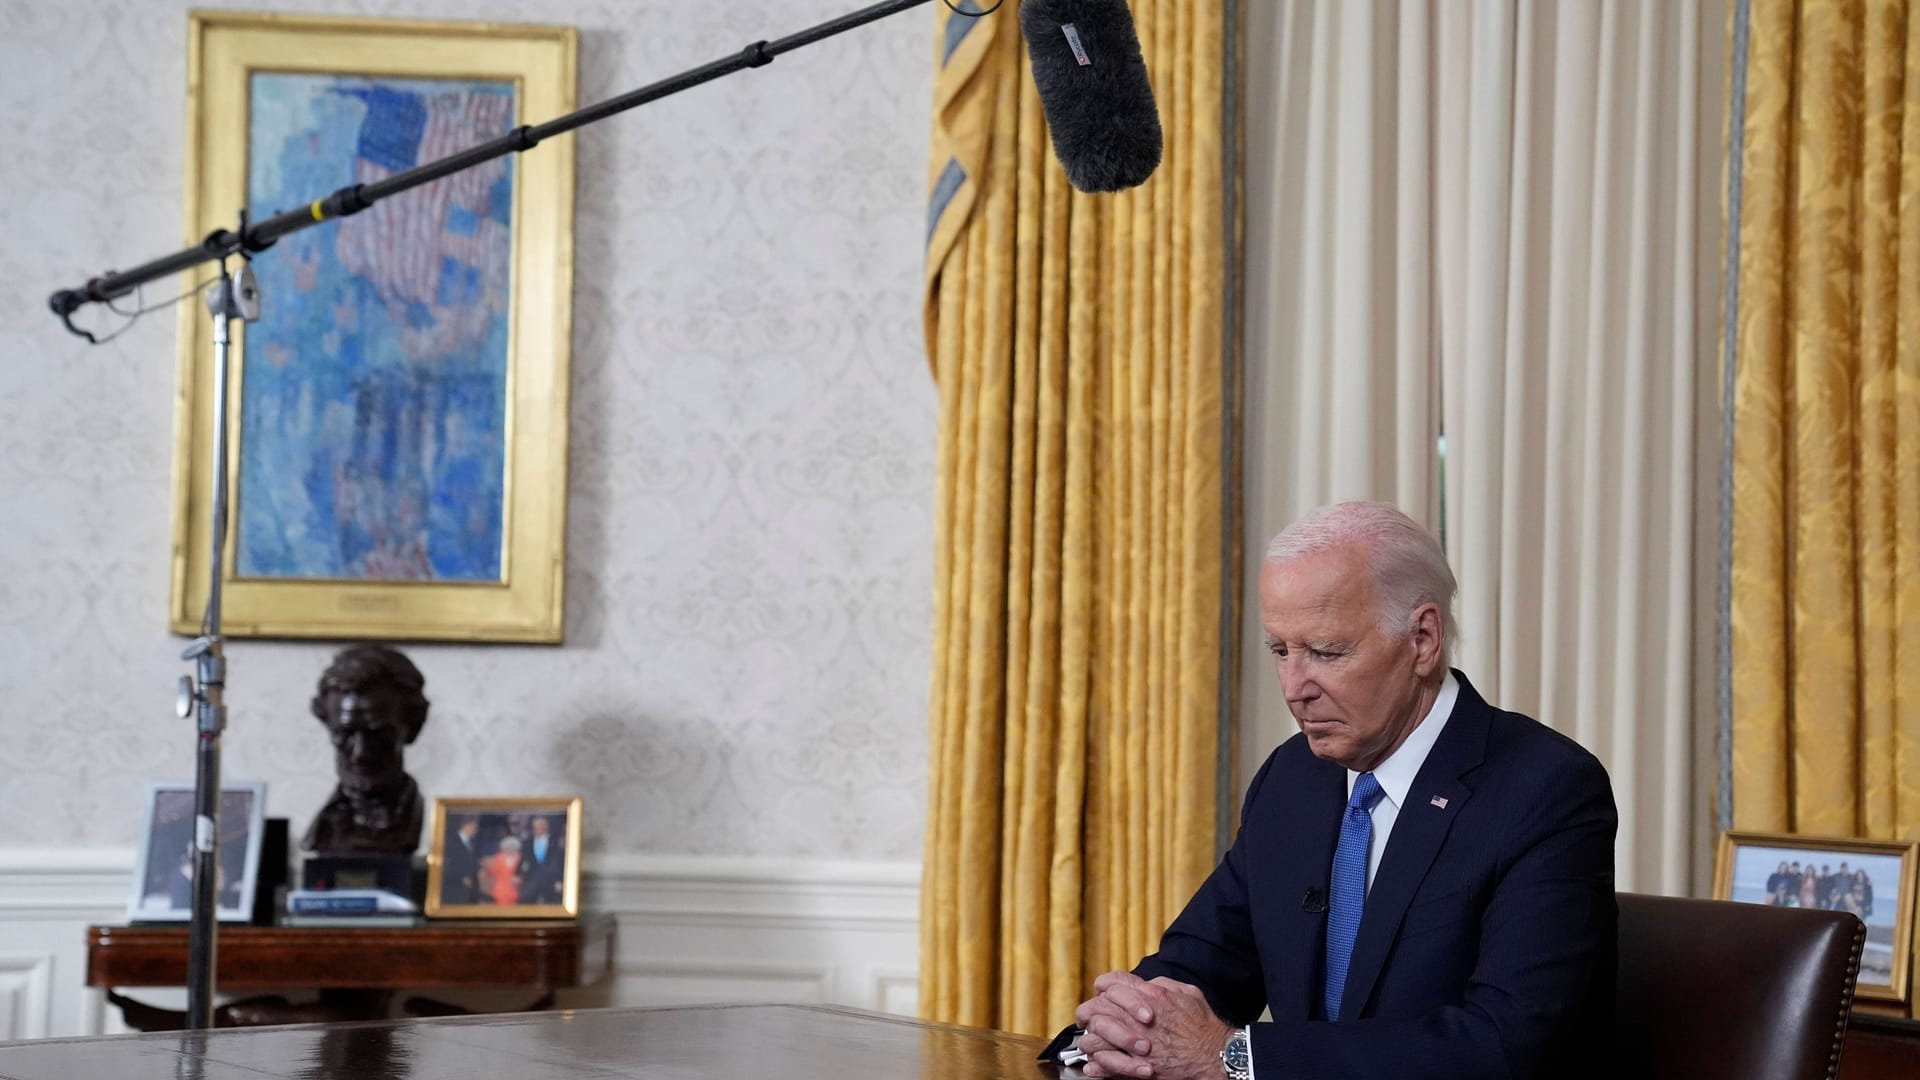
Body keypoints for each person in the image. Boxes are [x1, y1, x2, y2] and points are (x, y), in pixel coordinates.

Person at [1048, 501, 1618, 1079]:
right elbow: (1202, 965)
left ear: (1422, 638)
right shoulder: (1293, 779)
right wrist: (1114, 1034)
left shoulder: (1545, 788)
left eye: (1325, 652)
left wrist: (1236, 1059)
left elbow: (1502, 1044)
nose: (1295, 688)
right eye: (1280, 651)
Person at [302, 644, 431, 854]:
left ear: (412, 727)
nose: (359, 753)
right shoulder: (323, 830)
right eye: (345, 734)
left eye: (378, 735)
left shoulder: (424, 820)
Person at [518, 815, 567, 904]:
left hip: (551, 880)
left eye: (540, 826)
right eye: (535, 827)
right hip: (532, 879)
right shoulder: (527, 842)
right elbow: (522, 860)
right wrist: (517, 874)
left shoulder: (555, 842)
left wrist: (560, 880)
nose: (537, 829)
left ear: (545, 827)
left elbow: (561, 863)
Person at [441, 816, 482, 905]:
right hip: (454, 888)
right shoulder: (450, 842)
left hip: (470, 889)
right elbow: (447, 864)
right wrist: (460, 878)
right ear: (466, 826)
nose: (476, 830)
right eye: (474, 827)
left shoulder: (472, 843)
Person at [486, 836, 523, 906]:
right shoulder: (498, 857)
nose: (510, 849)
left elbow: (525, 872)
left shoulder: (521, 857)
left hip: (517, 889)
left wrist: (520, 879)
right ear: (503, 848)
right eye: (508, 847)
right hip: (501, 889)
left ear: (516, 848)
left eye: (513, 847)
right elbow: (491, 871)